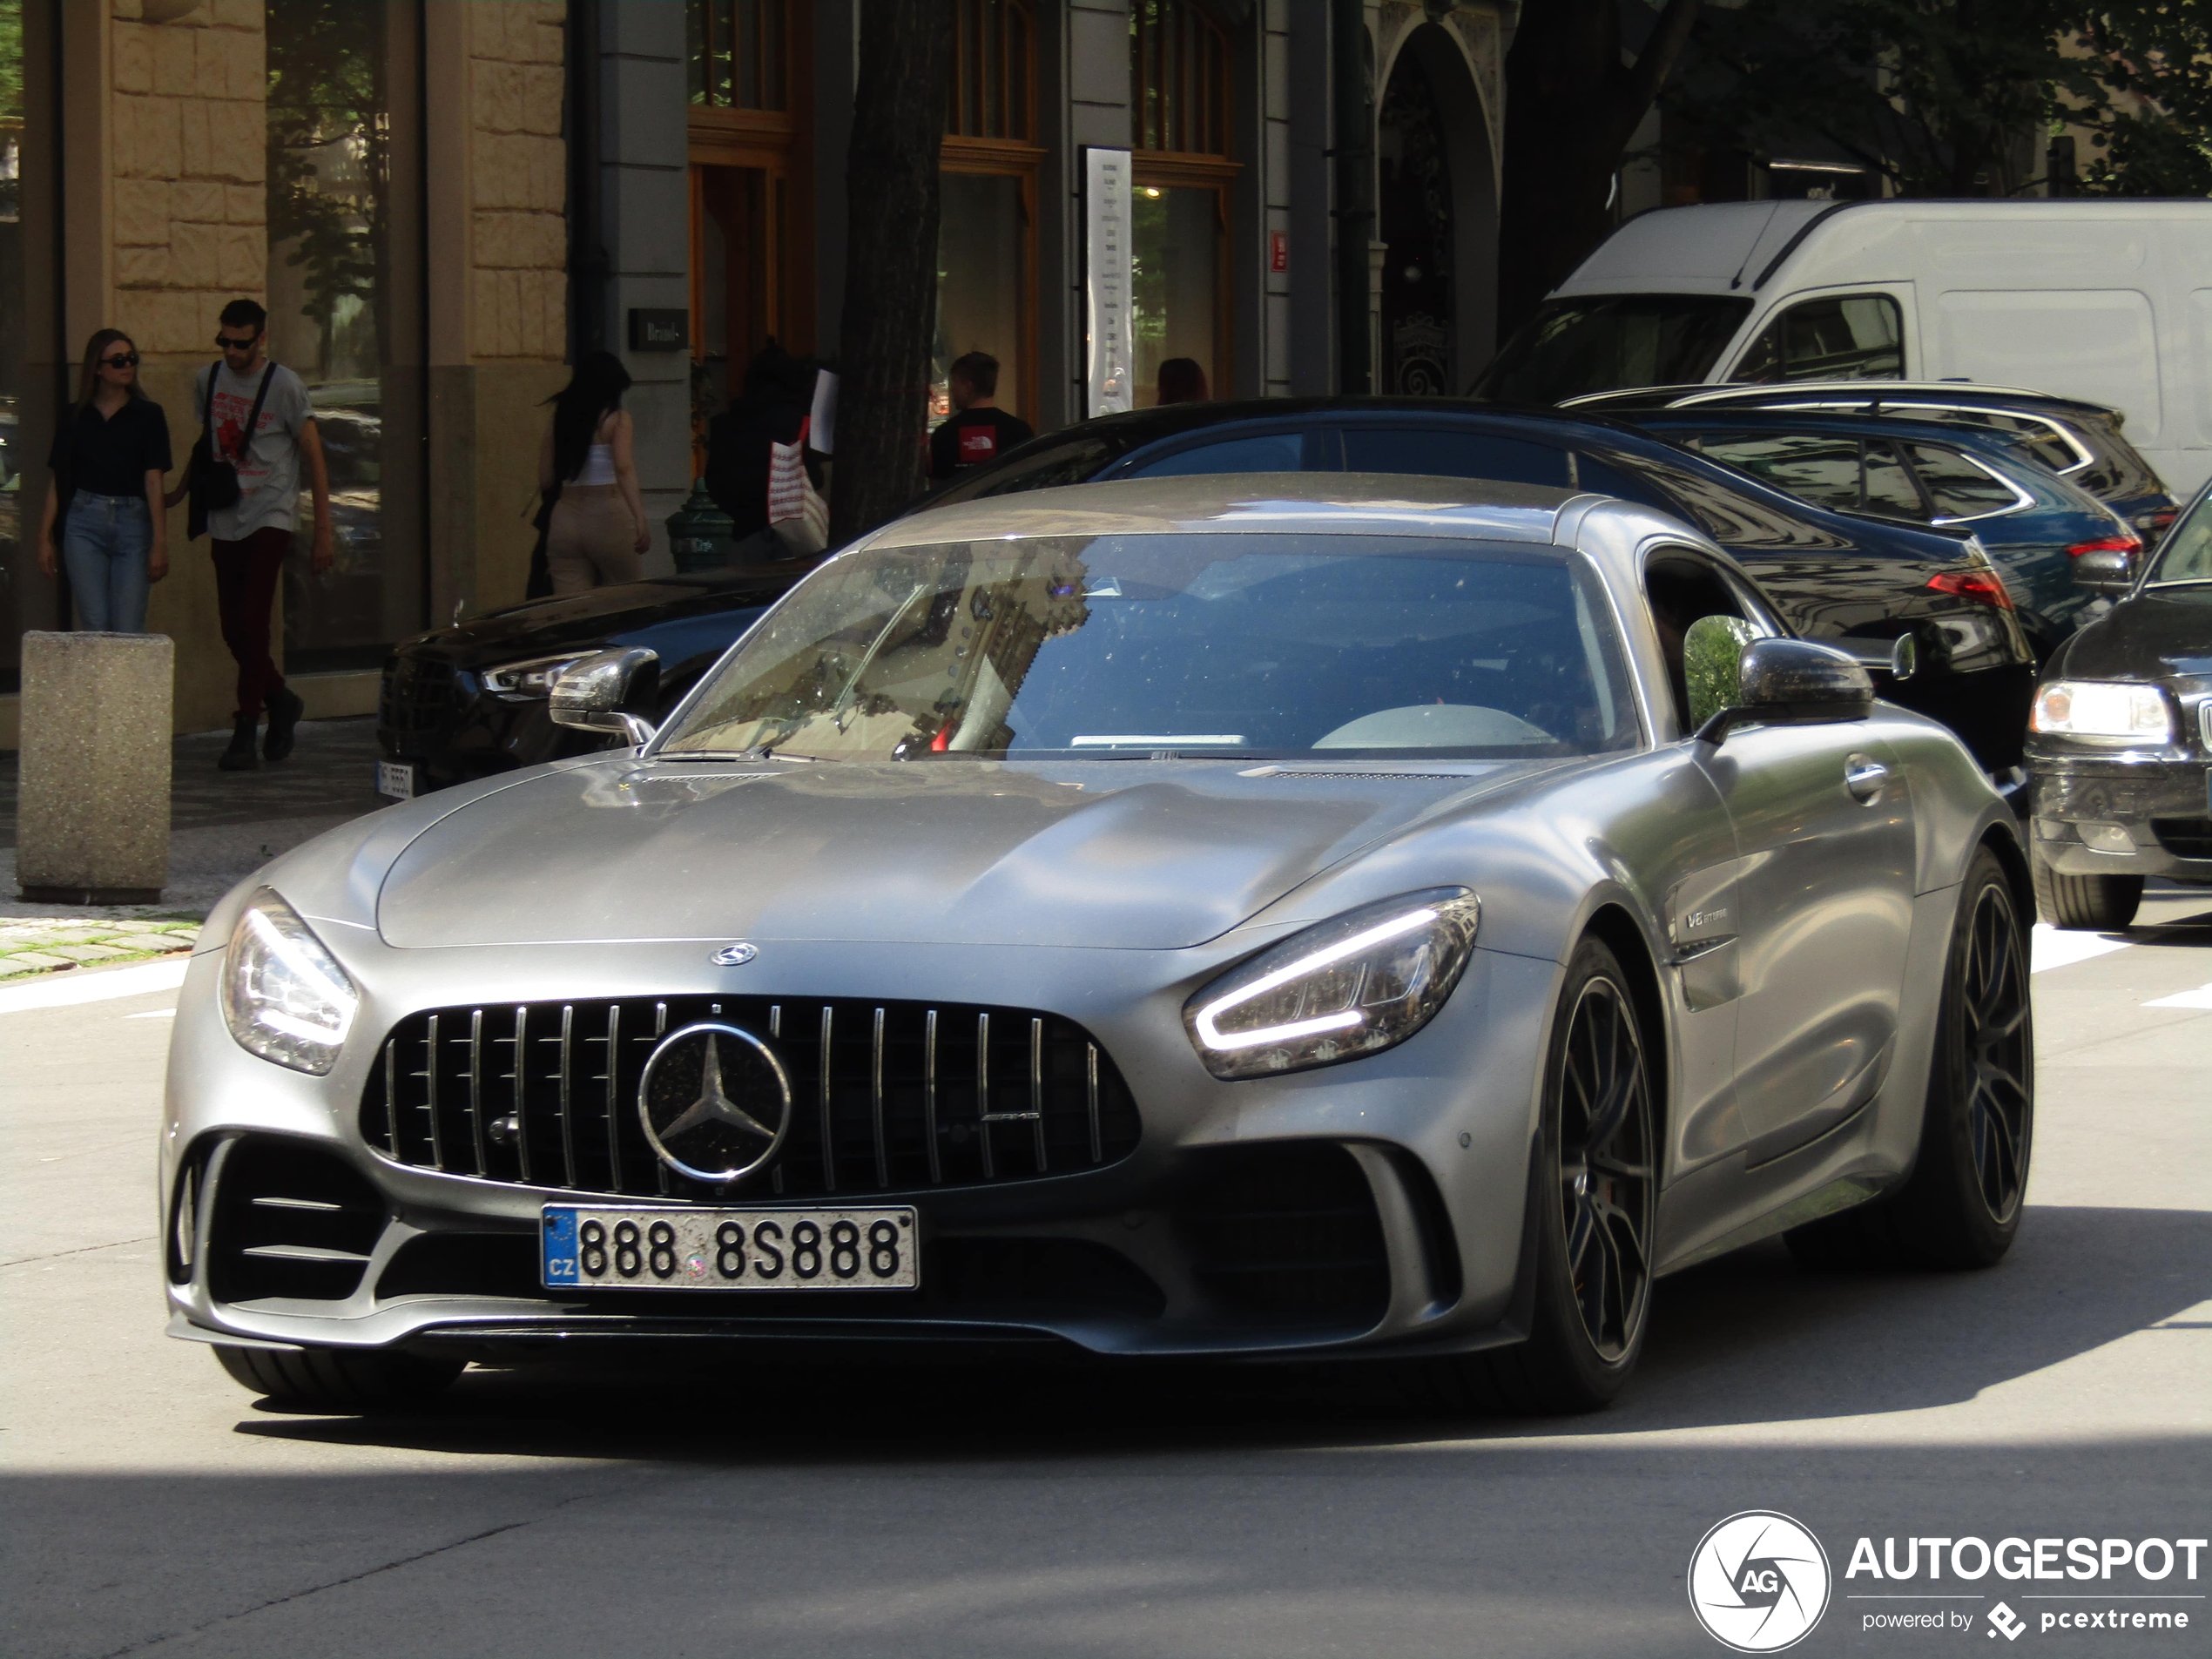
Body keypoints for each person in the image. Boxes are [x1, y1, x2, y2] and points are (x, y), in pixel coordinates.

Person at [178, 299, 332, 772]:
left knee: (253, 622)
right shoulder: (207, 380)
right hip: (226, 513)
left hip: (271, 512)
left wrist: (323, 527)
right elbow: (207, 446)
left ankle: (247, 724)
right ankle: (281, 698)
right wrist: (178, 493)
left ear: (260, 339)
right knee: (232, 628)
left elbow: (313, 454)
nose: (231, 350)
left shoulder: (284, 386)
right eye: (224, 340)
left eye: (240, 343)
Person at [37, 328, 172, 632]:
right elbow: (59, 478)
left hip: (133, 522)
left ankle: (127, 682)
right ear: (97, 368)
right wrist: (44, 536)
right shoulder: (75, 416)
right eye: (118, 360)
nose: (127, 366)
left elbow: (154, 481)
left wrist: (160, 542)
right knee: (95, 624)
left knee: (127, 627)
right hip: (84, 522)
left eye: (132, 359)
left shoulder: (148, 415)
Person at [538, 351, 651, 595]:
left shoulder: (559, 418)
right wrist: (639, 516)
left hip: (564, 519)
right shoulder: (618, 420)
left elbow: (546, 479)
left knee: (572, 608)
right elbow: (623, 468)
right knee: (628, 597)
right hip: (608, 515)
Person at [704, 341, 819, 556]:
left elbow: (714, 482)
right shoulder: (797, 423)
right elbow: (815, 477)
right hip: (791, 530)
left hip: (740, 531)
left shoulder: (725, 424)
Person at [928, 352, 1034, 480]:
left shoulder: (944, 434)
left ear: (968, 387)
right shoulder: (1020, 431)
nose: (952, 390)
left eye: (954, 383)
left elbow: (937, 487)